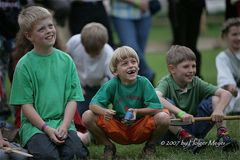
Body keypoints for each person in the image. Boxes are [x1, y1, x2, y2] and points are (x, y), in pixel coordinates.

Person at [9, 6, 89, 159]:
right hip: (36, 127)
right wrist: (46, 128)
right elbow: (26, 106)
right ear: (29, 36)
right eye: (41, 29)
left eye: (50, 26)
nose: (49, 31)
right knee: (48, 156)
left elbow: (72, 99)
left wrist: (65, 126)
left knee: (75, 153)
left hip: (63, 122)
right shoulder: (24, 65)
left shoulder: (66, 60)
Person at [82, 46, 170, 159]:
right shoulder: (112, 84)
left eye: (133, 61)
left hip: (140, 128)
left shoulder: (144, 82)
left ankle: (150, 146)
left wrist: (137, 112)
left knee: (164, 117)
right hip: (118, 128)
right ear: (115, 72)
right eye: (125, 64)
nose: (131, 65)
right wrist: (105, 111)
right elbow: (93, 105)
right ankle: (109, 146)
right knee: (87, 115)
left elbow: (157, 108)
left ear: (138, 65)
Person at [155, 45, 239, 153]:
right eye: (186, 67)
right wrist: (181, 113)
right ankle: (185, 138)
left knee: (216, 99)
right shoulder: (166, 83)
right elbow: (156, 97)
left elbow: (226, 94)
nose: (191, 70)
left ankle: (222, 135)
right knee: (163, 106)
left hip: (194, 127)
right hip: (171, 134)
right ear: (172, 69)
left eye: (193, 66)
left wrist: (218, 110)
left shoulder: (196, 81)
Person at [66, 22, 114, 144]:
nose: (92, 55)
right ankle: (78, 134)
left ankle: (94, 136)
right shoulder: (74, 42)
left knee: (95, 118)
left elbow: (112, 86)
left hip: (98, 89)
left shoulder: (109, 55)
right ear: (82, 43)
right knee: (75, 115)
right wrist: (74, 84)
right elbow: (64, 63)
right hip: (78, 85)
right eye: (88, 51)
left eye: (96, 53)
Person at [110, 0, 155, 84]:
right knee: (131, 48)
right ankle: (148, 74)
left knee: (139, 54)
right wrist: (138, 2)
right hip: (121, 13)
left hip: (144, 14)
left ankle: (139, 87)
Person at [167, 0, 205, 78]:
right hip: (178, 6)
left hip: (194, 6)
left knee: (191, 46)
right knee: (179, 47)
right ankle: (177, 78)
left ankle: (195, 79)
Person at [216, 18, 240, 114]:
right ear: (225, 36)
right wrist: (231, 88)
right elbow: (228, 84)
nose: (238, 38)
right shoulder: (222, 57)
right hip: (233, 94)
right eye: (234, 34)